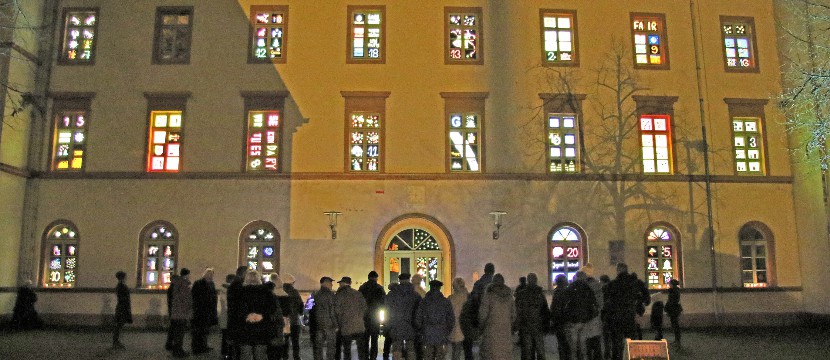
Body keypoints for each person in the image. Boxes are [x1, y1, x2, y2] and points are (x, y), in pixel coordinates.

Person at [238, 270, 281, 360]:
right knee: (260, 354)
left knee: (245, 354)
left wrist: (247, 316)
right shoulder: (267, 293)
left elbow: (235, 310)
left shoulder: (240, 292)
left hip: (245, 328)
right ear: (259, 279)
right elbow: (273, 309)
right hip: (262, 328)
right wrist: (262, 316)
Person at [604, 264, 641, 360]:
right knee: (631, 340)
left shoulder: (613, 284)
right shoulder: (635, 283)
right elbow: (644, 297)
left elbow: (607, 300)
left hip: (616, 316)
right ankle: (632, 357)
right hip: (630, 315)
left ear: (618, 270)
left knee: (616, 343)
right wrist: (638, 308)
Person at [478, 274, 515, 360]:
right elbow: (513, 315)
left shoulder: (488, 296)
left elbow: (482, 315)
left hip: (491, 334)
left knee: (491, 354)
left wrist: (481, 328)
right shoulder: (510, 297)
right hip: (506, 333)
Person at [415, 280, 454, 360]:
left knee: (428, 355)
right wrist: (447, 331)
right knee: (440, 355)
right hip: (441, 333)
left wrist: (420, 330)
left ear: (430, 287)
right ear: (440, 288)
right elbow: (451, 319)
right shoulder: (445, 302)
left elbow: (418, 317)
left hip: (427, 332)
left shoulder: (424, 301)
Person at [563, 271, 598, 360]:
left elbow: (565, 304)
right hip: (585, 320)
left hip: (573, 321)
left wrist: (567, 317)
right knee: (583, 345)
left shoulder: (570, 288)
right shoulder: (587, 288)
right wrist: (590, 316)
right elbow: (594, 304)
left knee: (573, 346)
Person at [386, 273, 421, 360]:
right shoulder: (415, 295)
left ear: (399, 280)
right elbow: (420, 311)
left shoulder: (391, 295)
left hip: (395, 324)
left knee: (397, 347)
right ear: (409, 280)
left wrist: (388, 324)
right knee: (410, 348)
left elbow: (387, 310)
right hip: (411, 325)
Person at [515, 273, 549, 360]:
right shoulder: (540, 294)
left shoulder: (522, 294)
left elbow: (518, 311)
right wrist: (546, 324)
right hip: (538, 325)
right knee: (540, 350)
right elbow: (545, 310)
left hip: (526, 326)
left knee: (528, 351)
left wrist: (517, 324)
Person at [335, 276, 368, 360]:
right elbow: (365, 308)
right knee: (361, 350)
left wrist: (339, 323)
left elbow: (337, 311)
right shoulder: (358, 293)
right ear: (350, 283)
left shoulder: (340, 295)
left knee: (347, 350)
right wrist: (359, 317)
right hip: (359, 326)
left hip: (346, 327)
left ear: (342, 283)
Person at [358, 271, 385, 360]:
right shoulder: (379, 288)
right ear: (376, 278)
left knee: (365, 339)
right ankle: (373, 357)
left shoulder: (362, 288)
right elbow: (383, 303)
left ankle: (365, 356)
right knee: (374, 340)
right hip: (375, 317)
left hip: (364, 317)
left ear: (368, 277)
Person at [192, 268, 218, 355]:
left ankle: (203, 345)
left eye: (211, 274)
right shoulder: (198, 283)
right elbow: (194, 296)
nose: (210, 276)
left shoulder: (211, 284)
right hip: (200, 310)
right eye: (209, 274)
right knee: (198, 330)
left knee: (205, 330)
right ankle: (197, 347)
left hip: (208, 310)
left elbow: (214, 297)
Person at [311, 276, 337, 360]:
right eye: (330, 283)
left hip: (318, 324)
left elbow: (309, 308)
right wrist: (336, 324)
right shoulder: (330, 294)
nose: (332, 284)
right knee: (331, 347)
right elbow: (332, 310)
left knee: (318, 347)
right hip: (329, 324)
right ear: (325, 283)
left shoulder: (315, 294)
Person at [582, 264, 604, 360]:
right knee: (596, 343)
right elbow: (601, 304)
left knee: (587, 346)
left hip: (585, 321)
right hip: (596, 320)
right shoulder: (598, 286)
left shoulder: (583, 287)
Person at [169, 268, 193, 358]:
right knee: (180, 333)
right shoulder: (184, 284)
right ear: (186, 275)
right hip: (181, 312)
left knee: (177, 333)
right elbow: (186, 299)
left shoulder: (176, 283)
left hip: (176, 312)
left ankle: (177, 350)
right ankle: (178, 351)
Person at [228, 266, 250, 360]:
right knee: (237, 342)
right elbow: (240, 302)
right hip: (238, 317)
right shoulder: (238, 285)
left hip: (235, 316)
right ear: (243, 273)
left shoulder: (235, 284)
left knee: (236, 342)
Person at [268, 273, 292, 360]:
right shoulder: (285, 295)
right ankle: (284, 356)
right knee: (284, 342)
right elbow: (288, 310)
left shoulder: (270, 295)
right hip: (284, 321)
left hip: (273, 321)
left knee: (273, 343)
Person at [282, 273, 304, 360]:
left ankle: (285, 357)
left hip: (284, 321)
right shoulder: (295, 292)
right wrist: (300, 313)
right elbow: (301, 305)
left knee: (285, 342)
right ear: (292, 283)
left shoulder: (281, 291)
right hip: (294, 320)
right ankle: (296, 357)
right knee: (295, 342)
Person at [549, 274, 570, 360]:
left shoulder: (557, 292)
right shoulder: (568, 291)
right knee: (567, 343)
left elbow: (553, 308)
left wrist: (552, 320)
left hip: (559, 322)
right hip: (566, 321)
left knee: (561, 343)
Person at [447, 278, 469, 360]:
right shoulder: (467, 297)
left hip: (454, 327)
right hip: (466, 327)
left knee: (456, 350)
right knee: (467, 351)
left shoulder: (451, 298)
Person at [112, 271, 132, 349]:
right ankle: (116, 341)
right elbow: (124, 298)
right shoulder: (122, 286)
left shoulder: (120, 286)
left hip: (121, 307)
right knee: (119, 325)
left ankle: (116, 341)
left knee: (119, 325)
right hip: (122, 308)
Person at [219, 274, 235, 360]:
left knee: (225, 335)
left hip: (225, 316)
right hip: (228, 316)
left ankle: (225, 352)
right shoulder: (227, 291)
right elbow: (226, 305)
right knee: (227, 336)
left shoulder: (223, 290)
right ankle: (227, 354)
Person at [664, 279, 683, 345]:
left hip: (673, 309)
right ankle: (677, 340)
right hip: (675, 309)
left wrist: (666, 308)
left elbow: (671, 301)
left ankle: (677, 340)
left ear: (672, 284)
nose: (669, 285)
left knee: (675, 325)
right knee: (675, 325)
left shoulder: (673, 291)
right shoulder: (676, 290)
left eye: (670, 284)